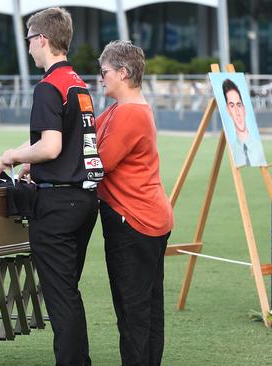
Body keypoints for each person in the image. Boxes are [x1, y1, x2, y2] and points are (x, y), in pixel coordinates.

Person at [0, 7, 103, 366]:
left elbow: (49, 146)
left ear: (42, 40)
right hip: (84, 200)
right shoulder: (78, 83)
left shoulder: (49, 86)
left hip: (57, 205)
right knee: (68, 291)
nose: (30, 48)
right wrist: (19, 156)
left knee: (61, 296)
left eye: (29, 40)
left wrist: (11, 158)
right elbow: (61, 142)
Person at [95, 40, 173, 366]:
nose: (101, 79)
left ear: (123, 73)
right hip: (147, 218)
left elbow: (98, 163)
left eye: (105, 73)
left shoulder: (129, 113)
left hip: (134, 222)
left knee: (134, 313)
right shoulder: (121, 109)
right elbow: (81, 139)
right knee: (146, 309)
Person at [222, 78, 267, 167]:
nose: (237, 112)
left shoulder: (258, 147)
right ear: (228, 110)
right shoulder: (233, 150)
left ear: (244, 108)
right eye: (232, 106)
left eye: (239, 105)